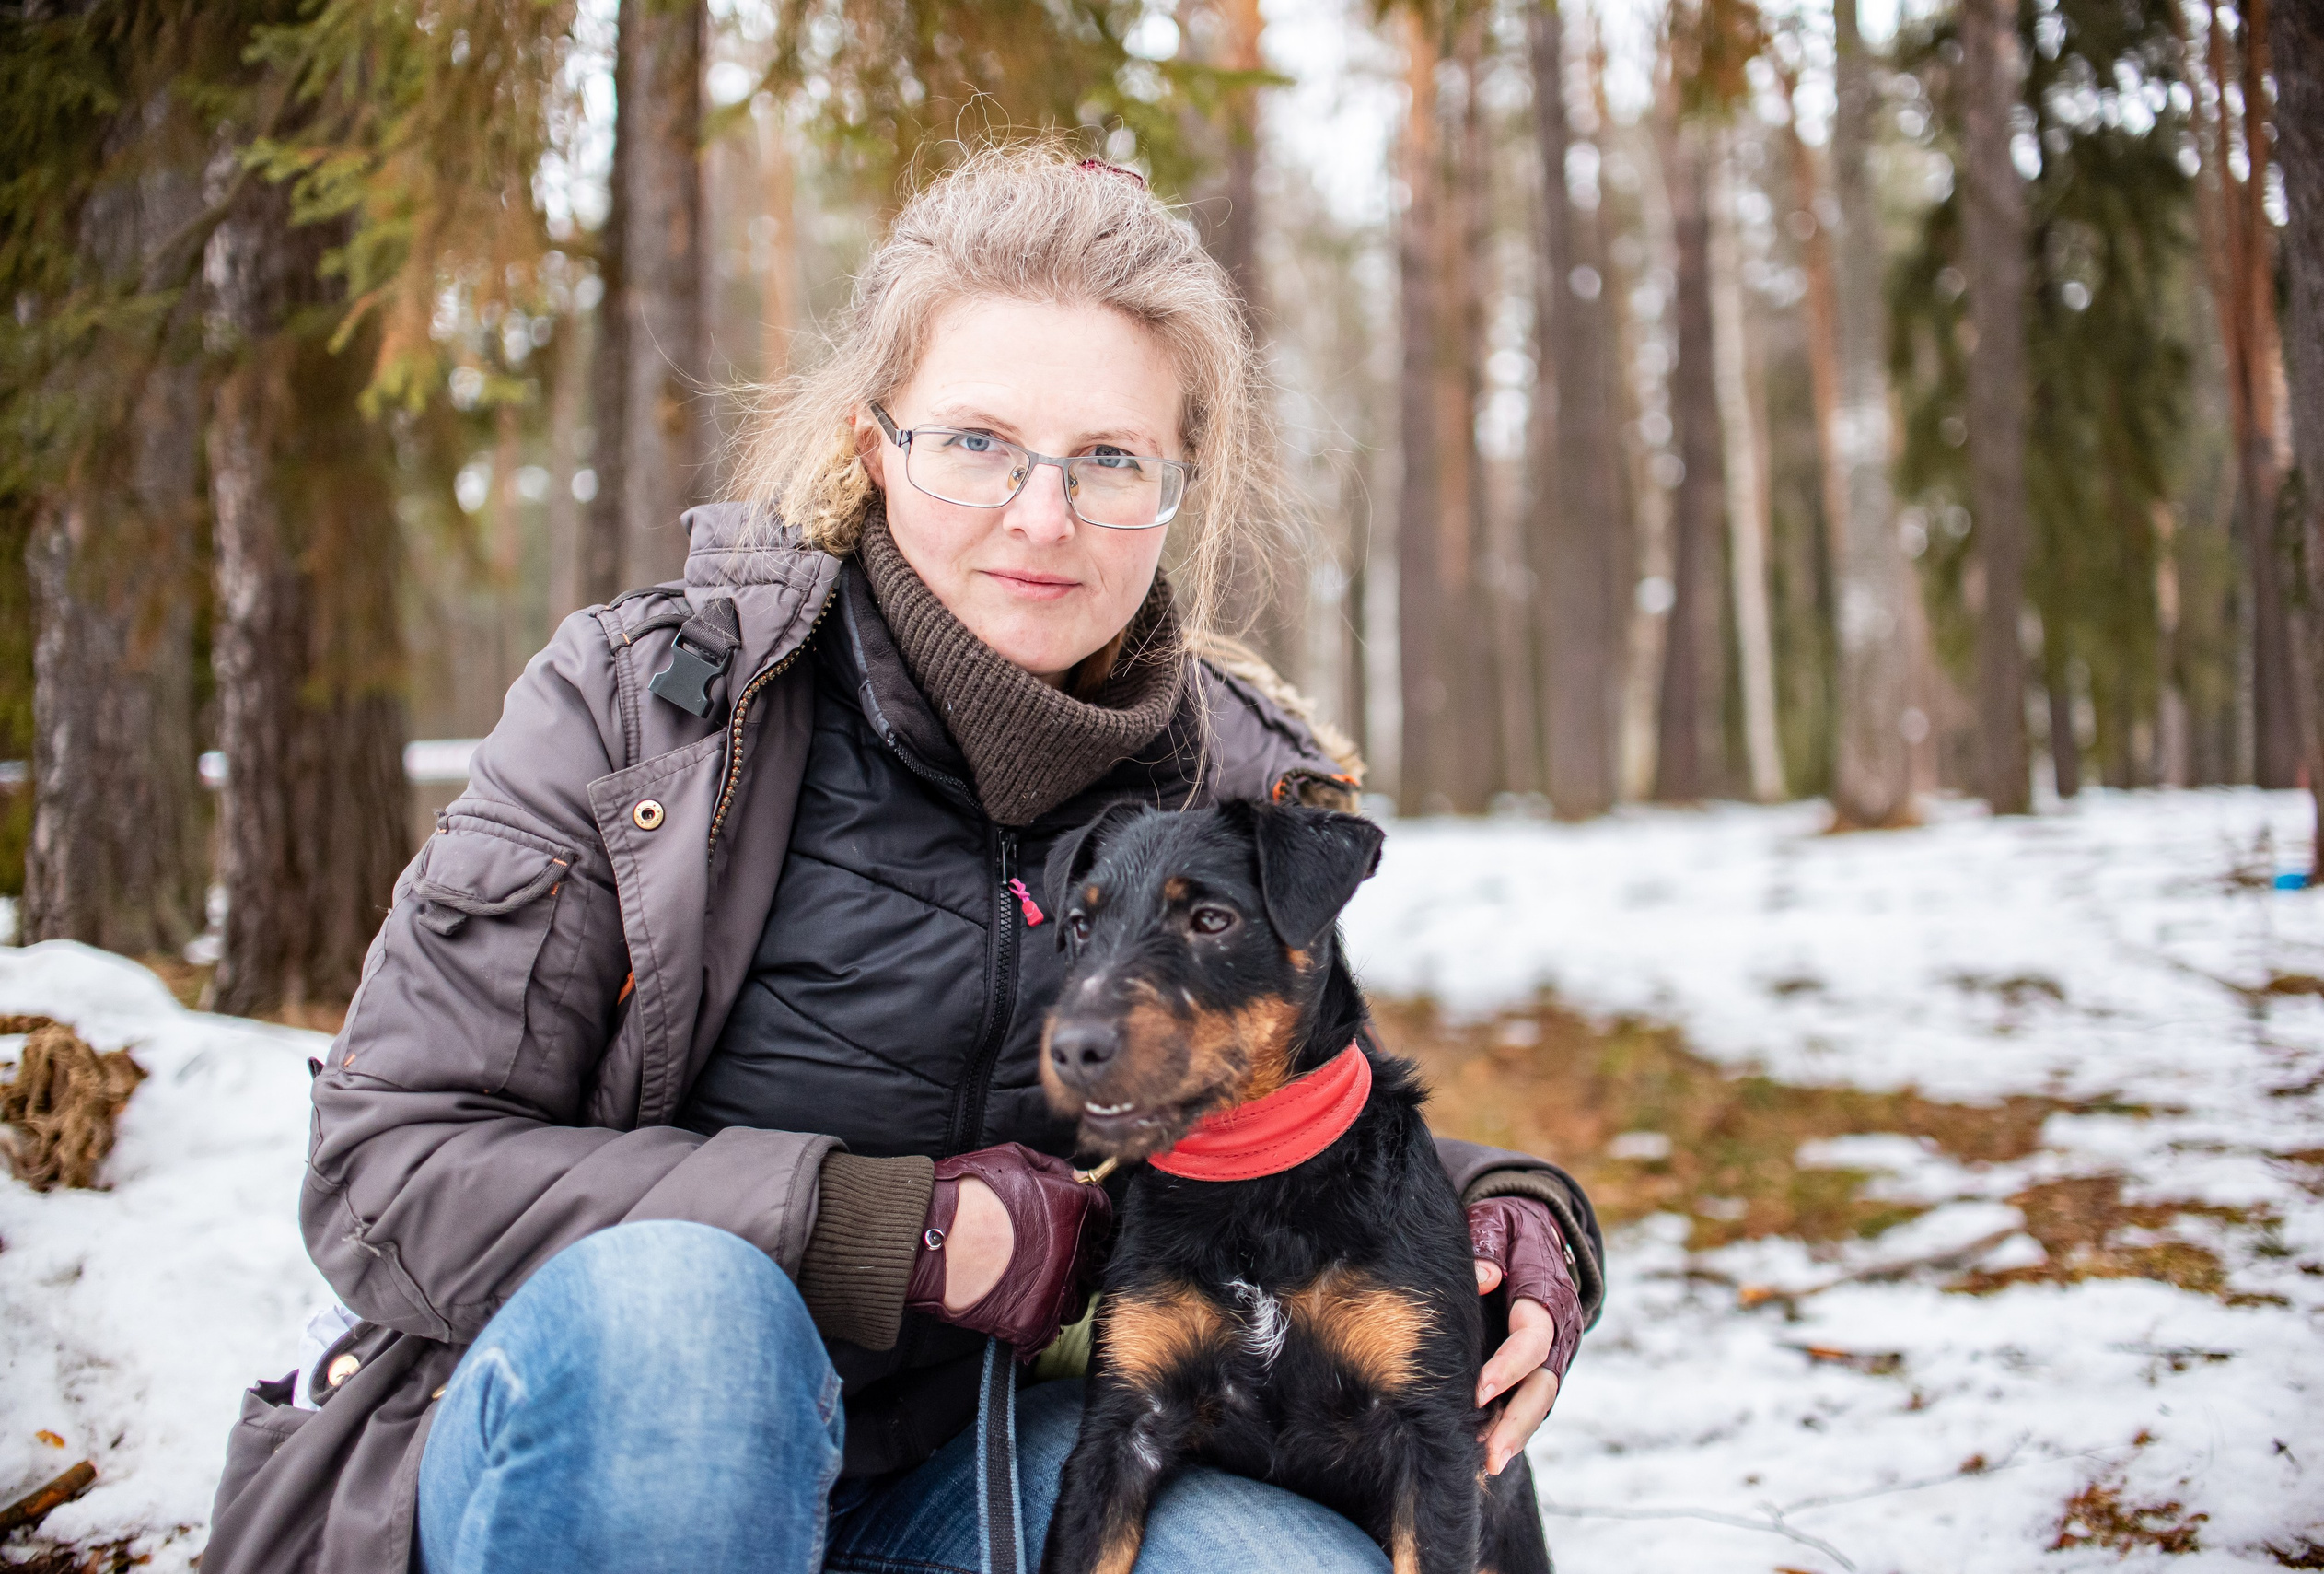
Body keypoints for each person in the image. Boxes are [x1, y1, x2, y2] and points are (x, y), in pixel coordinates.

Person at [202, 143, 1606, 1574]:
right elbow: (386, 1169)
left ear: (1180, 481)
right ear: (876, 445)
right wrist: (888, 1228)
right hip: (611, 1444)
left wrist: (1518, 1211)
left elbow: (1279, 1114)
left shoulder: (1229, 776)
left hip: (969, 1476)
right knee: (692, 1321)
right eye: (979, 441)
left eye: (1110, 457)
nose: (1041, 516)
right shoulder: (655, 715)